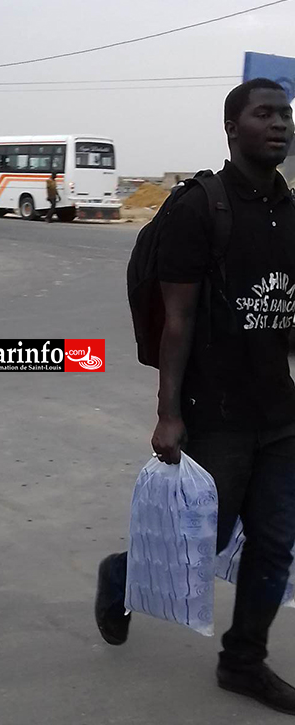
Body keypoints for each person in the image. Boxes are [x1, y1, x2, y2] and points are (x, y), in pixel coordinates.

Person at [95, 78, 295, 716]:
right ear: (232, 128)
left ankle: (243, 663)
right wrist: (169, 412)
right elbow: (176, 318)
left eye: (286, 115)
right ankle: (121, 576)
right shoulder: (197, 206)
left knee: (275, 540)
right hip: (218, 412)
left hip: (282, 414)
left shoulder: (291, 211)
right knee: (201, 542)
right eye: (264, 114)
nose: (280, 124)